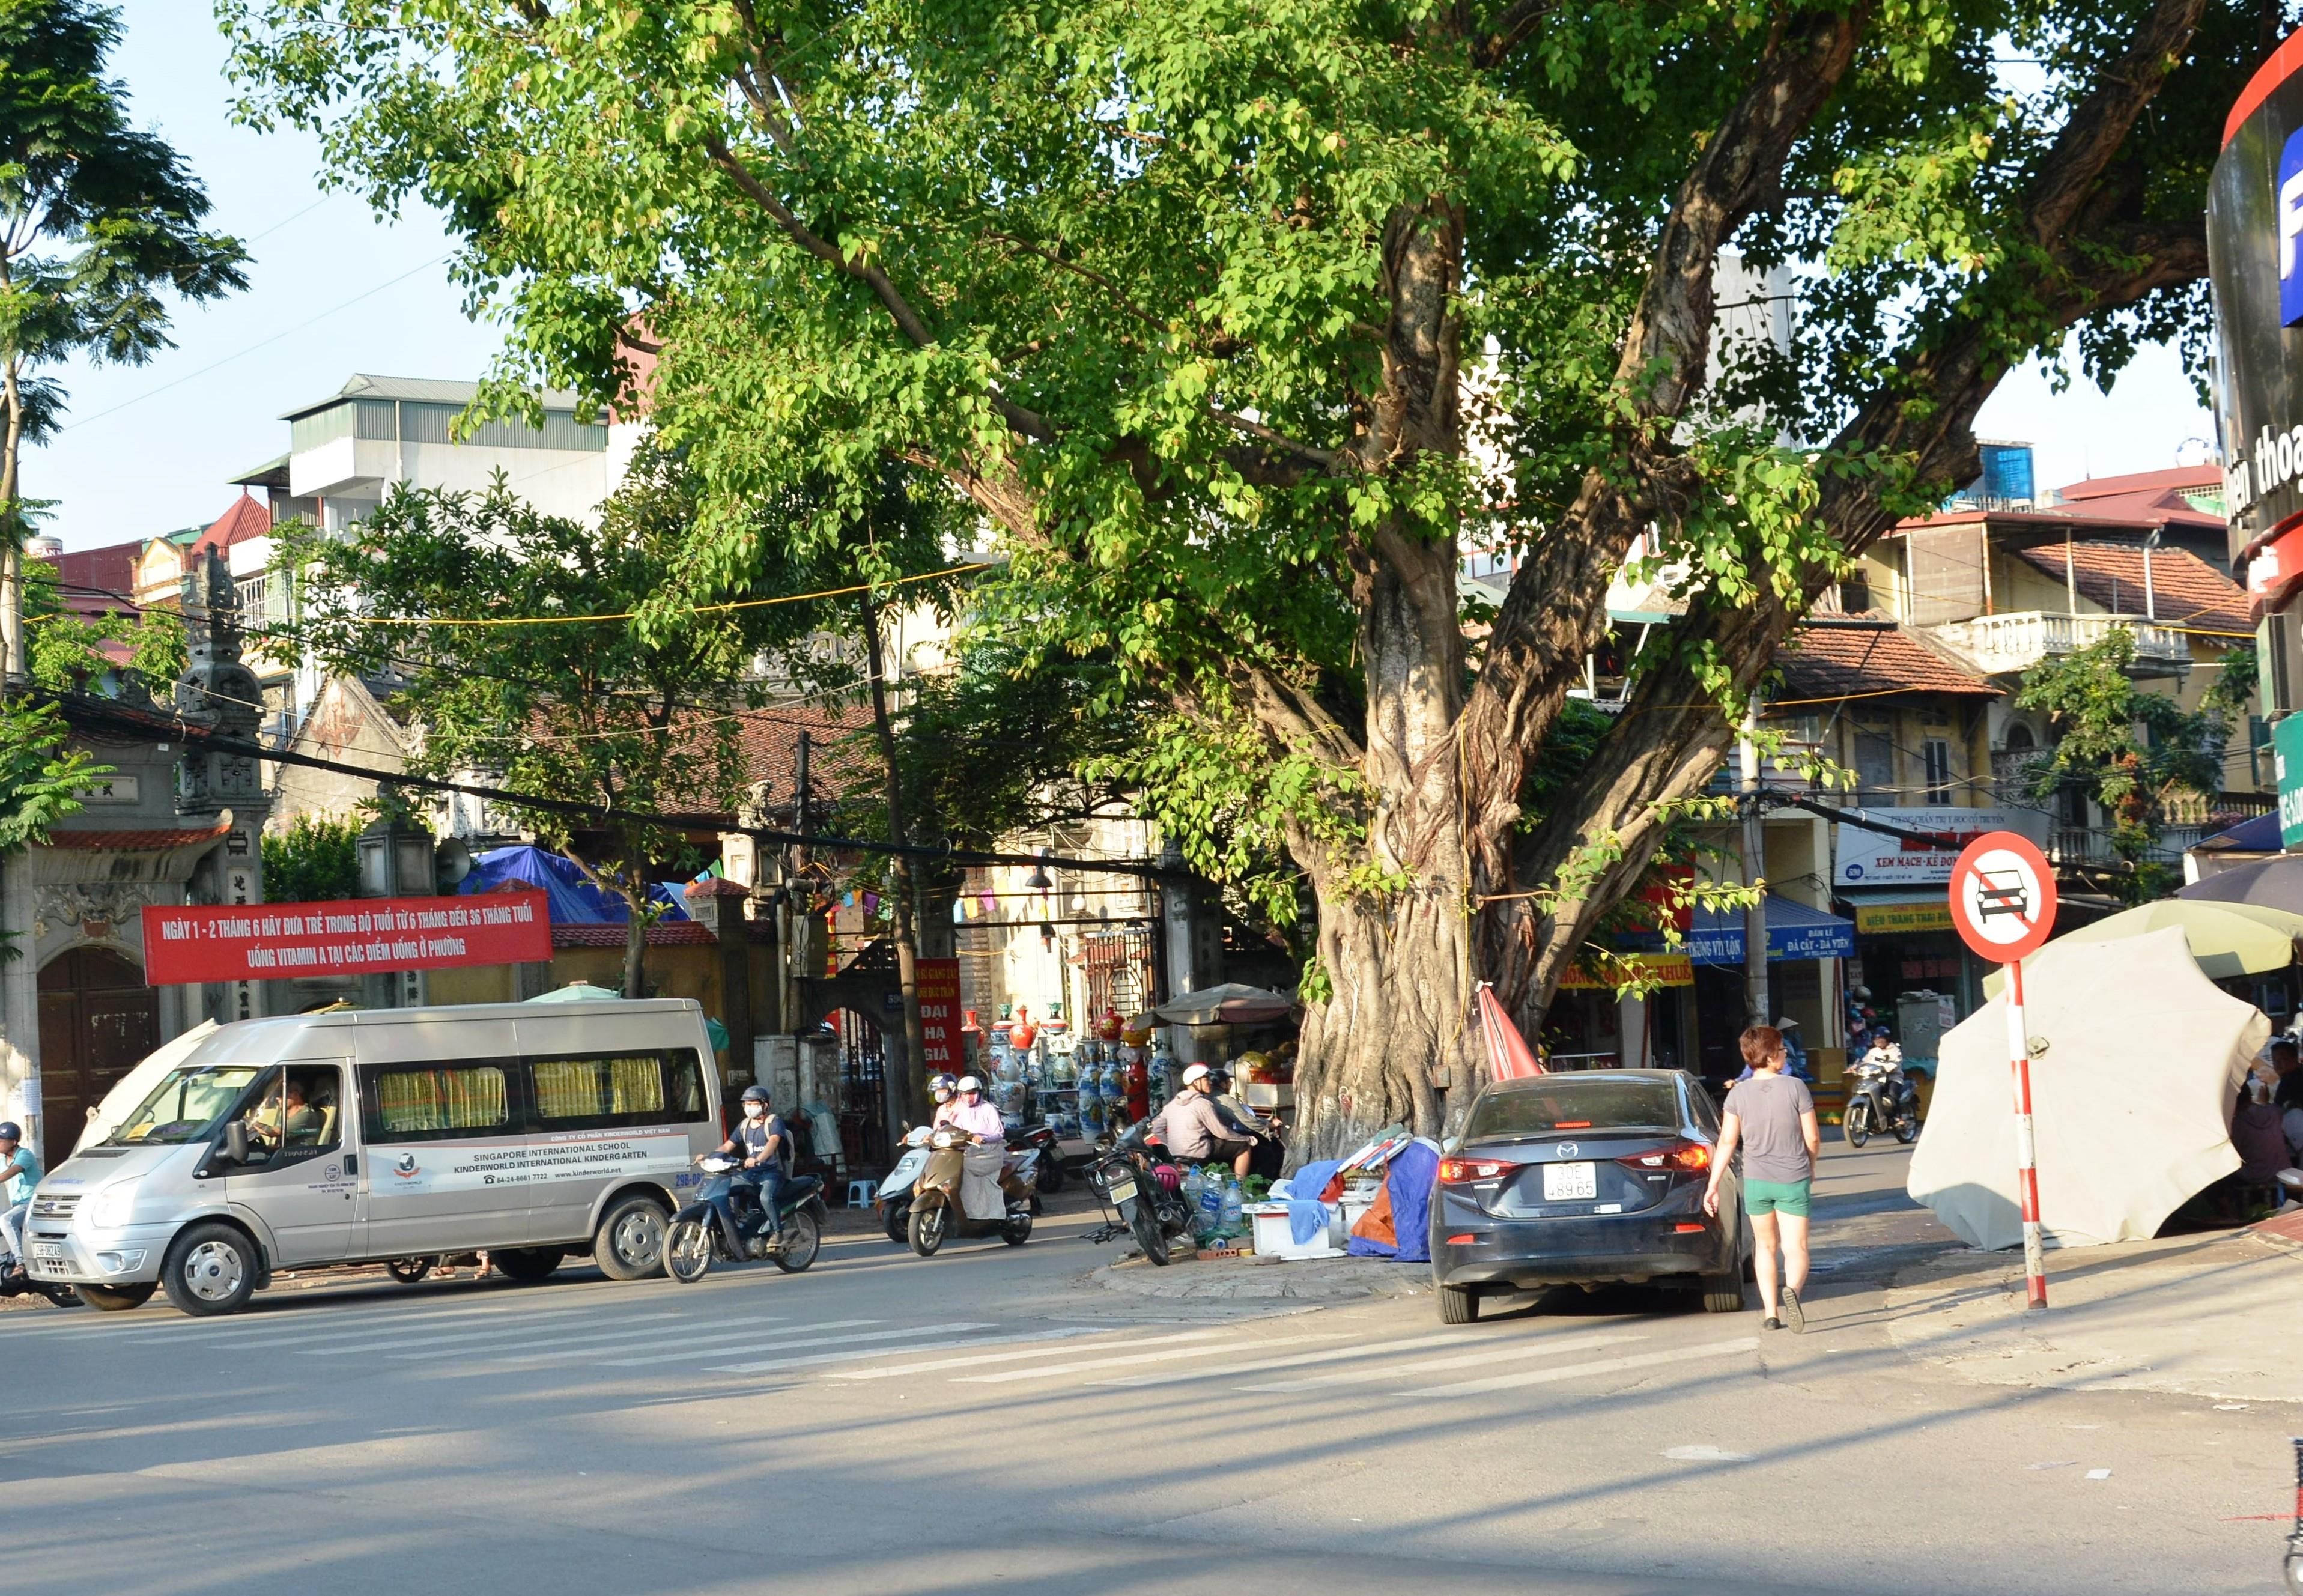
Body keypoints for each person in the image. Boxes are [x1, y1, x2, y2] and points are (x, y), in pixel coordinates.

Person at [1704, 1025, 1819, 1333]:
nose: (1785, 1054)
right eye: (1782, 1050)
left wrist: (1712, 1185)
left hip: (1756, 1180)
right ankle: (1792, 1290)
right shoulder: (1796, 1088)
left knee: (1765, 1247)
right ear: (1770, 1057)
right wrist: (1811, 1164)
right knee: (1796, 1248)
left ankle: (1771, 1314)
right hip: (1792, 1177)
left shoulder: (1738, 1094)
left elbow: (1727, 1142)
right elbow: (1813, 1138)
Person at [706, 1085, 789, 1251]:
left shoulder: (774, 1122)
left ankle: (777, 1232)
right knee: (728, 1188)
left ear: (765, 1105)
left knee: (766, 1198)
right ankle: (741, 1226)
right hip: (751, 1173)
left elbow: (773, 1142)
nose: (750, 1108)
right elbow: (728, 1146)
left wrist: (758, 1159)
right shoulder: (744, 1125)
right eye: (747, 1105)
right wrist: (709, 1157)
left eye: (754, 1104)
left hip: (772, 1173)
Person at [1157, 1064, 1257, 1178]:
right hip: (1199, 1152)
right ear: (1196, 1082)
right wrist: (1246, 1138)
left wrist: (1171, 1145)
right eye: (1206, 1078)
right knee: (1244, 1146)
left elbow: (1157, 1129)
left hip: (1176, 1153)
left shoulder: (1171, 1105)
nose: (1210, 1082)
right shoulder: (1203, 1104)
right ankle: (1240, 1187)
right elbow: (1221, 1133)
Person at [0, 1122, 41, 1282]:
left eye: (3, 1140)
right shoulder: (3, 1159)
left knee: (6, 1220)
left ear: (14, 1142)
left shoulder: (25, 1155)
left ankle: (21, 1262)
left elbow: (13, 1171)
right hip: (18, 1206)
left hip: (31, 1205)